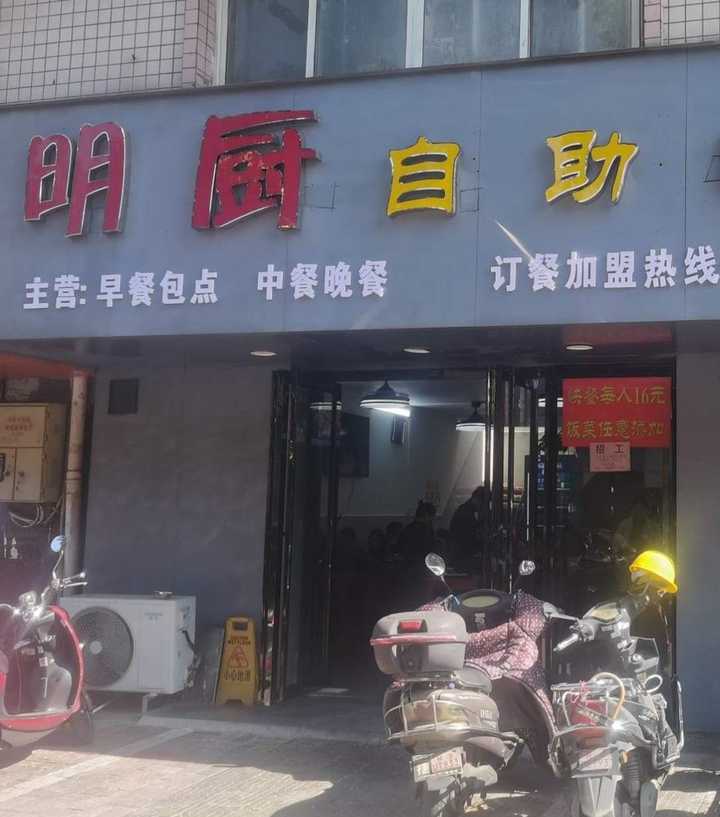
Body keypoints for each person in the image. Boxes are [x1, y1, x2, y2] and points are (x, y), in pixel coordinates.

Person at [450, 486, 489, 562]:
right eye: (482, 503)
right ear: (476, 499)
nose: (482, 506)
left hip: (460, 551)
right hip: (461, 553)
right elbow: (468, 535)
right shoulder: (466, 512)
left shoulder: (466, 509)